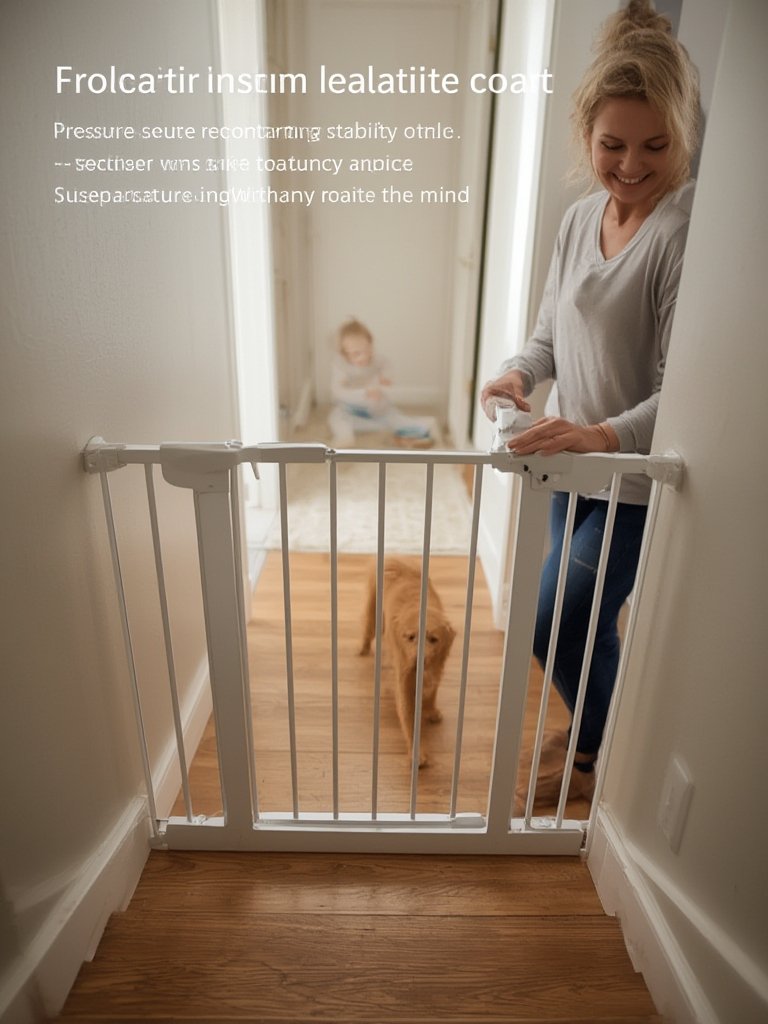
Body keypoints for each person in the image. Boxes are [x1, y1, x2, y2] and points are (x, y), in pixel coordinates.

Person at [481, 0, 701, 807]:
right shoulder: (579, 219)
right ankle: (596, 733)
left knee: (554, 620)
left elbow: (685, 388)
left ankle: (590, 757)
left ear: (682, 133)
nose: (633, 165)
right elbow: (546, 335)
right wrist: (516, 375)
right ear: (588, 139)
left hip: (630, 480)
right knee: (574, 622)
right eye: (613, 146)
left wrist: (601, 433)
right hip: (571, 471)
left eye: (655, 145)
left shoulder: (681, 234)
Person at [329, 317, 435, 447]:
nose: (363, 356)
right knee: (336, 417)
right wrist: (363, 392)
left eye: (367, 350)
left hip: (376, 410)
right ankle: (345, 438)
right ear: (344, 354)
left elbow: (386, 364)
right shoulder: (341, 366)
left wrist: (386, 376)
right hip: (351, 409)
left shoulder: (377, 360)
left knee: (393, 418)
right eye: (356, 354)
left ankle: (424, 426)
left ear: (371, 345)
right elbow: (338, 392)